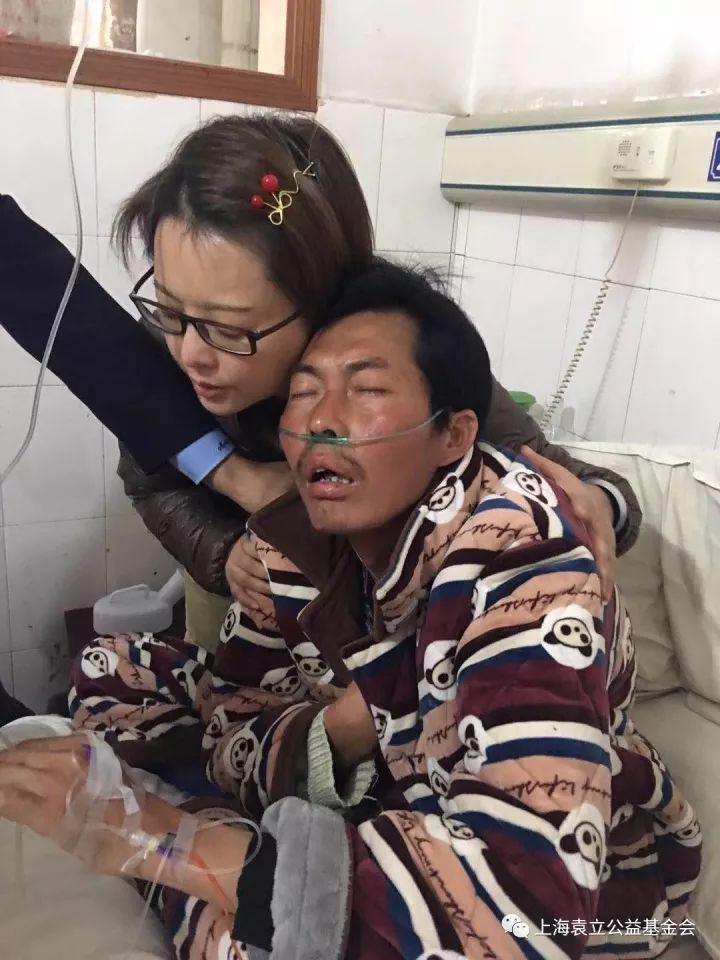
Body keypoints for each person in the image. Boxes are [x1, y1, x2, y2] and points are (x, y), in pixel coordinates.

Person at [0, 261, 700, 960]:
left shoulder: (521, 552)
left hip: (582, 898)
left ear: (454, 434)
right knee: (113, 668)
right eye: (303, 393)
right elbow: (232, 719)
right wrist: (341, 728)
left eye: (366, 391)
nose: (320, 420)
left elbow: (531, 905)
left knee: (244, 939)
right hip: (381, 794)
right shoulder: (292, 537)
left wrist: (157, 839)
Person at [0, 114, 640, 651]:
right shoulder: (169, 350)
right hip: (247, 608)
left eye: (229, 329)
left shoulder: (405, 351)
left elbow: (571, 476)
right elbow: (151, 480)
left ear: (320, 303)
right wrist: (222, 553)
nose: (190, 354)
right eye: (169, 309)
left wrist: (599, 503)